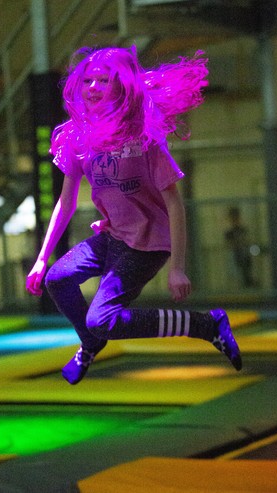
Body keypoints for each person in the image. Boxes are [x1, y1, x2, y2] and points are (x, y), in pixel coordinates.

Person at [26, 46, 242, 385]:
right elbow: (64, 203)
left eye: (104, 80)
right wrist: (41, 258)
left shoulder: (144, 137)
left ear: (122, 86)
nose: (93, 87)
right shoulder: (79, 138)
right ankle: (92, 342)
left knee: (103, 319)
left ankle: (206, 324)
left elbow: (174, 203)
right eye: (88, 80)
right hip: (112, 236)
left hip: (147, 243)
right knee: (57, 278)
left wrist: (178, 268)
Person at [225, 207, 254, 287]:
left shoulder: (243, 229)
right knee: (236, 274)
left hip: (244, 254)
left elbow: (247, 241)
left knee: (245, 270)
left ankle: (247, 282)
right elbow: (230, 244)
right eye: (233, 218)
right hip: (234, 255)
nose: (235, 220)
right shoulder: (229, 232)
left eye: (236, 218)